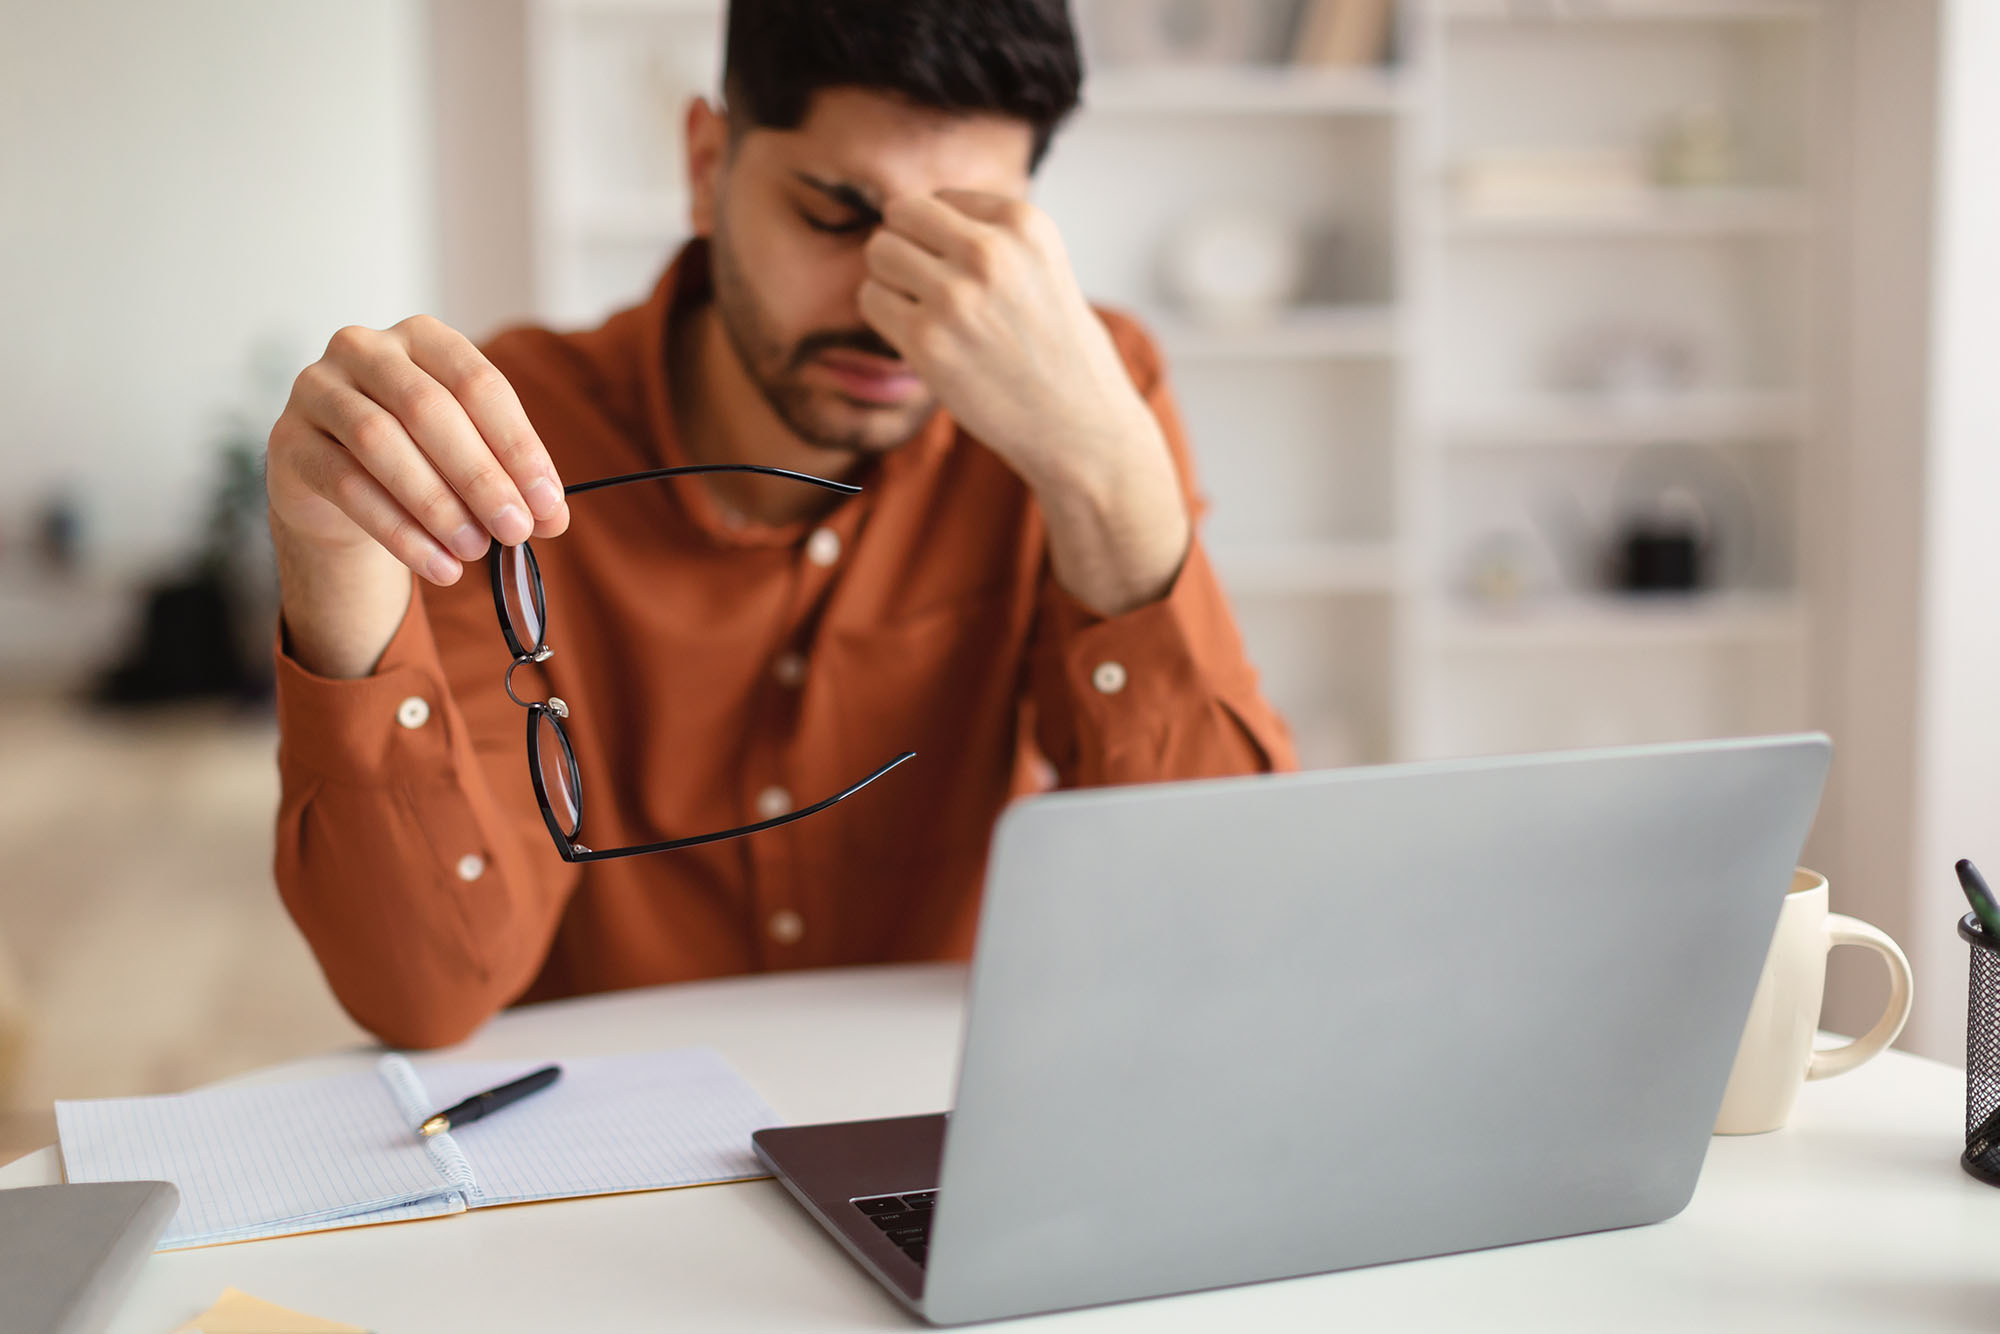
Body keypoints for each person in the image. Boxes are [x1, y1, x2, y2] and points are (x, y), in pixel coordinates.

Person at [265, 0, 1296, 1050]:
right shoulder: (497, 436)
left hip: (931, 1130)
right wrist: (336, 571)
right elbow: (429, 987)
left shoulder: (1086, 392)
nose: (896, 307)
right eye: (836, 216)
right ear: (706, 164)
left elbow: (1218, 928)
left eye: (965, 240)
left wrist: (1106, 476)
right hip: (606, 1150)